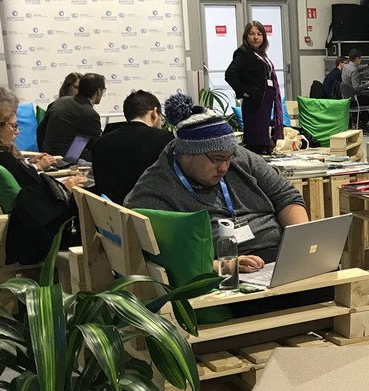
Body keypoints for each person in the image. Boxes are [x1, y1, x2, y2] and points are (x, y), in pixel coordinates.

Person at [124, 108, 307, 273]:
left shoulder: (239, 158)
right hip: (221, 271)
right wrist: (222, 266)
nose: (224, 167)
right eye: (216, 159)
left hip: (277, 256)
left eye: (229, 158)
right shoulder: (156, 186)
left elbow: (287, 196)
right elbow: (157, 251)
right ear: (187, 153)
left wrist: (299, 242)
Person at [0, 101, 87, 265]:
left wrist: (29, 166)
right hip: (46, 229)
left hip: (34, 221)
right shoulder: (4, 159)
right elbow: (31, 201)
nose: (18, 131)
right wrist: (64, 187)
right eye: (13, 126)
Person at [92, 90, 174, 203]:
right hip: (152, 213)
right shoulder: (165, 139)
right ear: (155, 113)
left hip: (112, 214)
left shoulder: (101, 143)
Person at [226, 21, 284, 155]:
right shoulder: (243, 53)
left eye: (259, 34)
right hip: (254, 102)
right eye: (252, 34)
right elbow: (230, 74)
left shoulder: (261, 54)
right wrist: (244, 91)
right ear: (246, 36)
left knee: (262, 137)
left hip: (265, 100)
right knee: (256, 140)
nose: (256, 37)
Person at [41, 72, 105, 162]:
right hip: (67, 158)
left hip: (47, 154)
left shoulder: (59, 101)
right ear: (98, 91)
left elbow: (41, 130)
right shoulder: (90, 113)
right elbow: (97, 146)